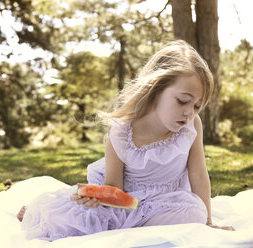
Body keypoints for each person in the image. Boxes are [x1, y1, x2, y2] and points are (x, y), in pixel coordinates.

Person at [17, 40, 234, 241]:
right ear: (156, 89)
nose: (189, 112)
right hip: (126, 203)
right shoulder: (121, 132)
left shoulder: (192, 126)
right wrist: (96, 199)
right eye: (182, 101)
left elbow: (198, 174)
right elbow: (113, 188)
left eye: (196, 105)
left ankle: (132, 232)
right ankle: (39, 213)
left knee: (194, 212)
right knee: (65, 218)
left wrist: (207, 223)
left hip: (168, 203)